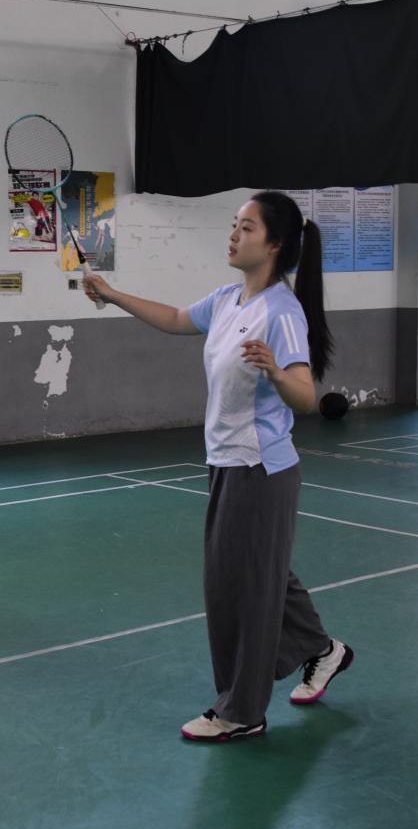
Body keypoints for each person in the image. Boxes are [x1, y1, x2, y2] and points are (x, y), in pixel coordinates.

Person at [83, 191, 353, 742]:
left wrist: (276, 371)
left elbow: (306, 396)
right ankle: (323, 650)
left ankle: (242, 711)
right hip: (226, 460)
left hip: (261, 467)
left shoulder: (282, 312)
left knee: (241, 589)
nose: (233, 235)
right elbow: (175, 318)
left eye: (247, 227)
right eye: (234, 224)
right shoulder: (229, 299)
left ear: (274, 244)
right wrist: (111, 294)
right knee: (258, 573)